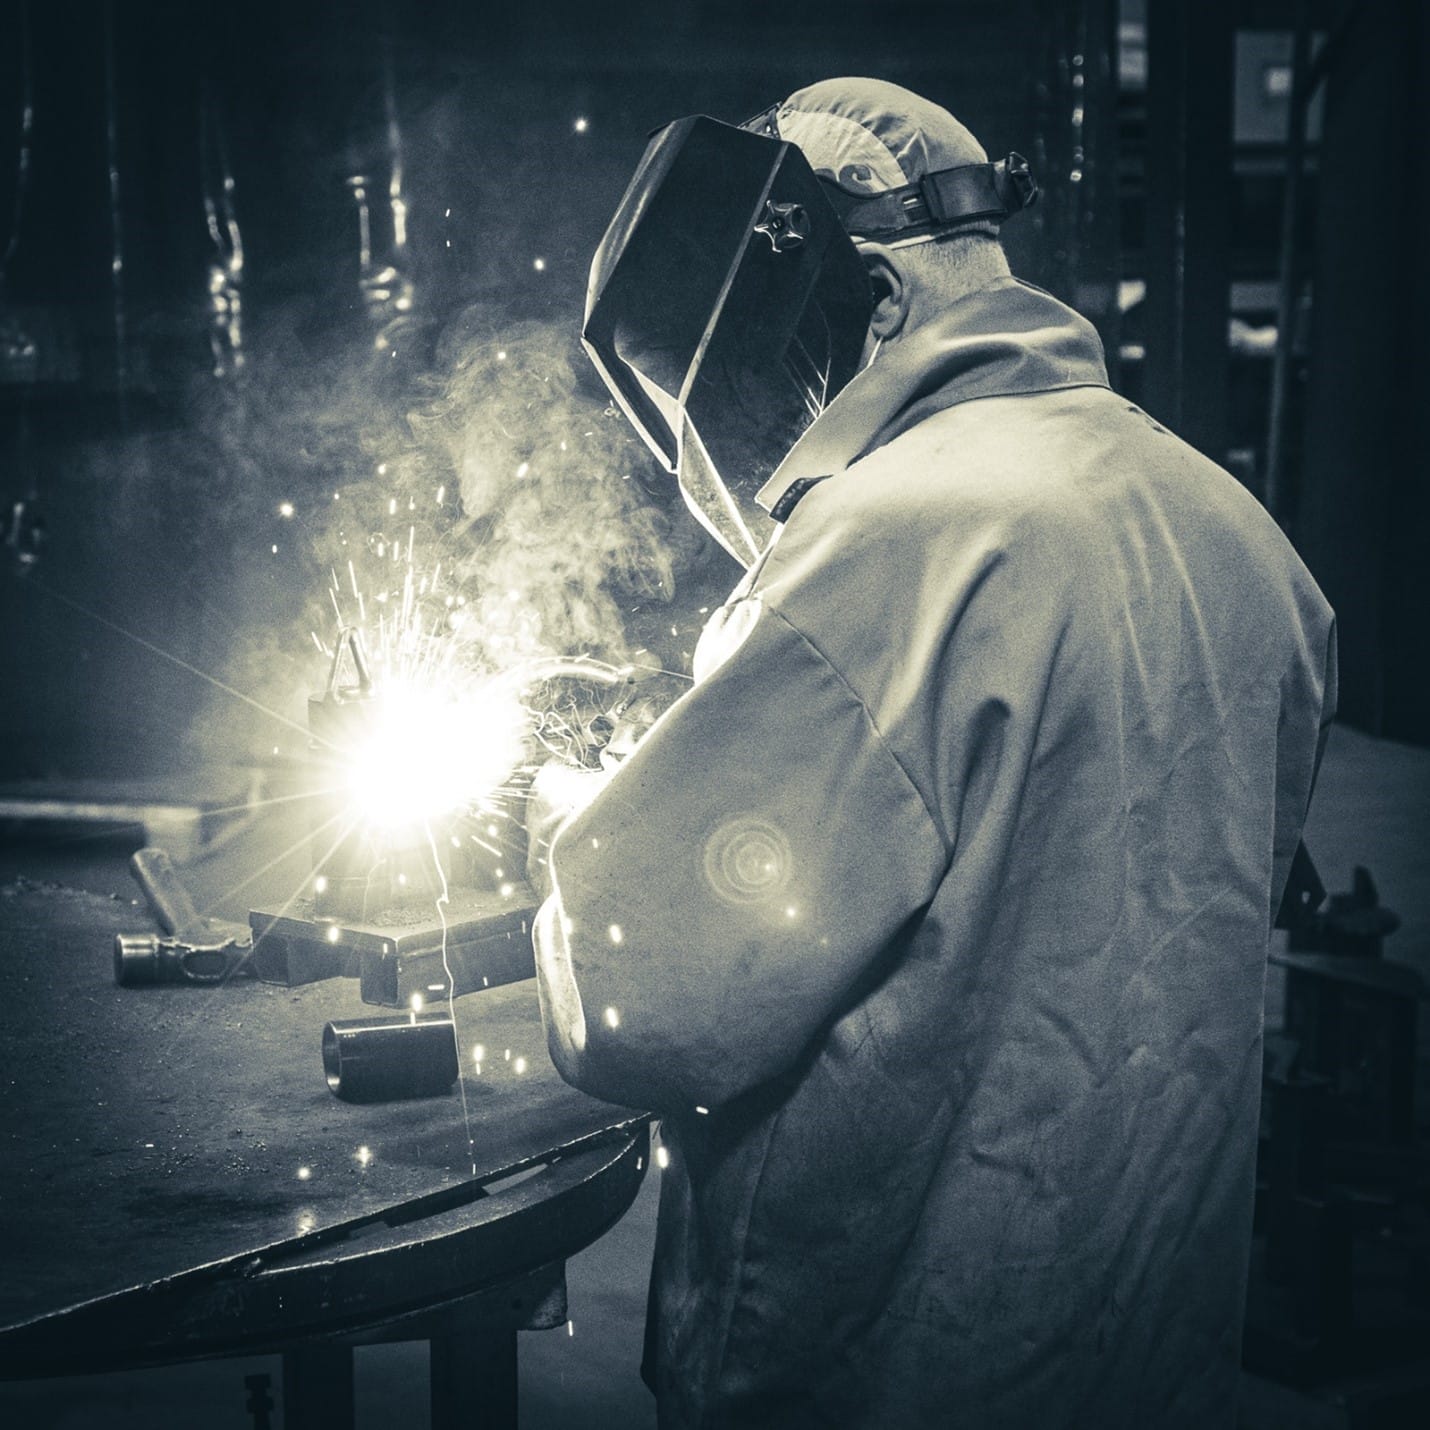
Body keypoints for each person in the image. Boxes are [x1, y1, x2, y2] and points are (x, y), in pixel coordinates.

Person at [529, 78, 1337, 1429]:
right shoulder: (1234, 532)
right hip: (1144, 1327)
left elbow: (644, 1000)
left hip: (890, 1356)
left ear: (874, 298)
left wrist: (572, 832)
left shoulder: (889, 540)